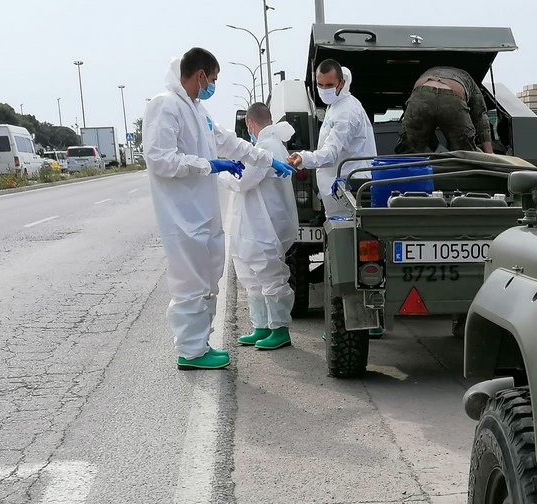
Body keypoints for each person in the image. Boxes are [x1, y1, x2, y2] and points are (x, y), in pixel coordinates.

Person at [144, 47, 297, 371]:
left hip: (201, 212)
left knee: (206, 281)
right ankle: (191, 351)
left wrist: (269, 160)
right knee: (190, 284)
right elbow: (159, 160)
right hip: (181, 214)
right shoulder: (166, 105)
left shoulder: (197, 110)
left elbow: (231, 143)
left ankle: (199, 346)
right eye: (213, 79)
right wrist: (208, 165)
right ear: (200, 75)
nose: (213, 85)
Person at [226, 103, 297, 351]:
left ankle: (279, 329)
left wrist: (223, 169)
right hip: (259, 222)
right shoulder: (270, 144)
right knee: (253, 276)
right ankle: (262, 326)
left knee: (269, 274)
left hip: (264, 224)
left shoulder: (267, 147)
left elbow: (242, 179)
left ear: (250, 124)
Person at [286, 59, 377, 219]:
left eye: (329, 85)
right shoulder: (336, 104)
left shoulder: (346, 113)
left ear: (341, 83)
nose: (323, 90)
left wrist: (303, 157)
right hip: (339, 195)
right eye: (320, 85)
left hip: (347, 194)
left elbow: (331, 153)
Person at [397, 66, 494, 154]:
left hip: (421, 92)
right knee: (463, 152)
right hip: (453, 95)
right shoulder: (470, 82)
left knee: (410, 147)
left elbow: (411, 111)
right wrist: (490, 154)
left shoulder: (430, 70)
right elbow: (481, 117)